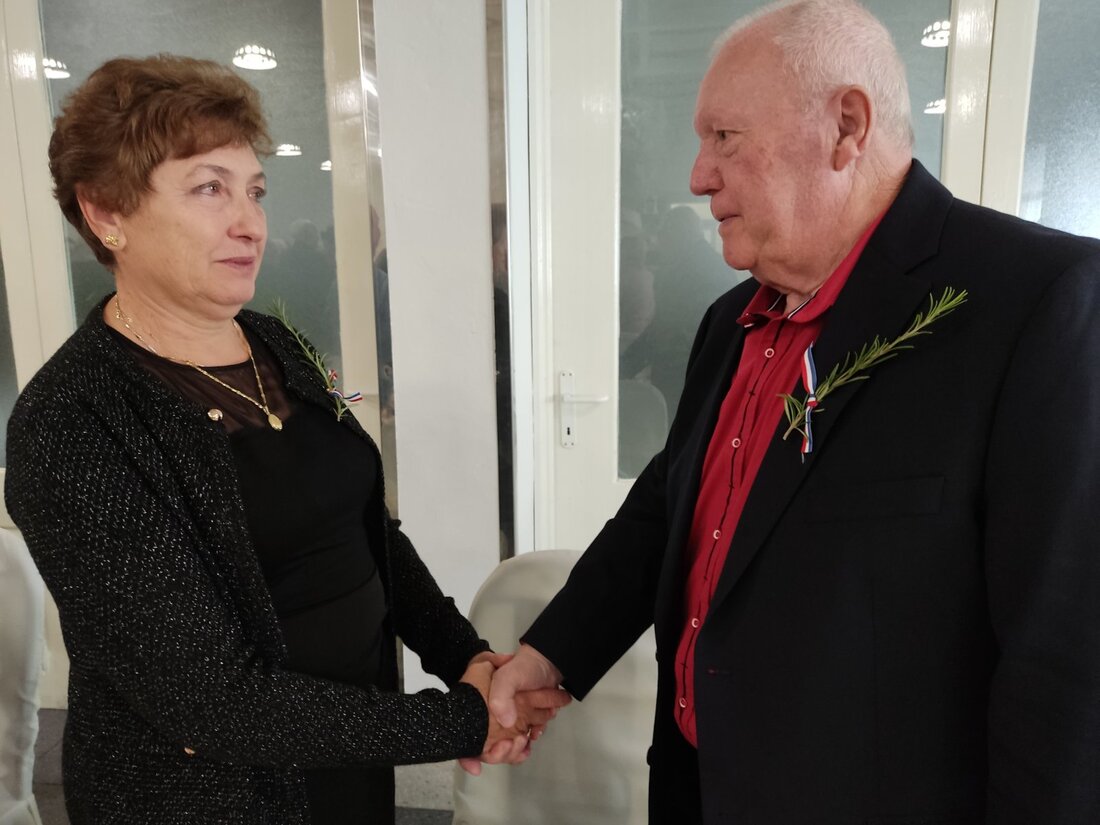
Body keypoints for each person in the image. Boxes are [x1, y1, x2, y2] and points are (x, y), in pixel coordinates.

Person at [481, 1, 1100, 822]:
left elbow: (1066, 661)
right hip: (699, 790)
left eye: (724, 137)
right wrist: (551, 652)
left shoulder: (1036, 303)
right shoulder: (730, 321)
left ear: (846, 127)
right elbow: (667, 508)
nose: (698, 176)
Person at [4, 55, 568, 825]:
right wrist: (466, 718)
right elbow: (212, 702)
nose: (250, 222)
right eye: (210, 189)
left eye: (255, 190)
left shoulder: (274, 343)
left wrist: (463, 654)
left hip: (349, 757)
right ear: (106, 212)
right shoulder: (72, 424)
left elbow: (365, 531)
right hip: (205, 800)